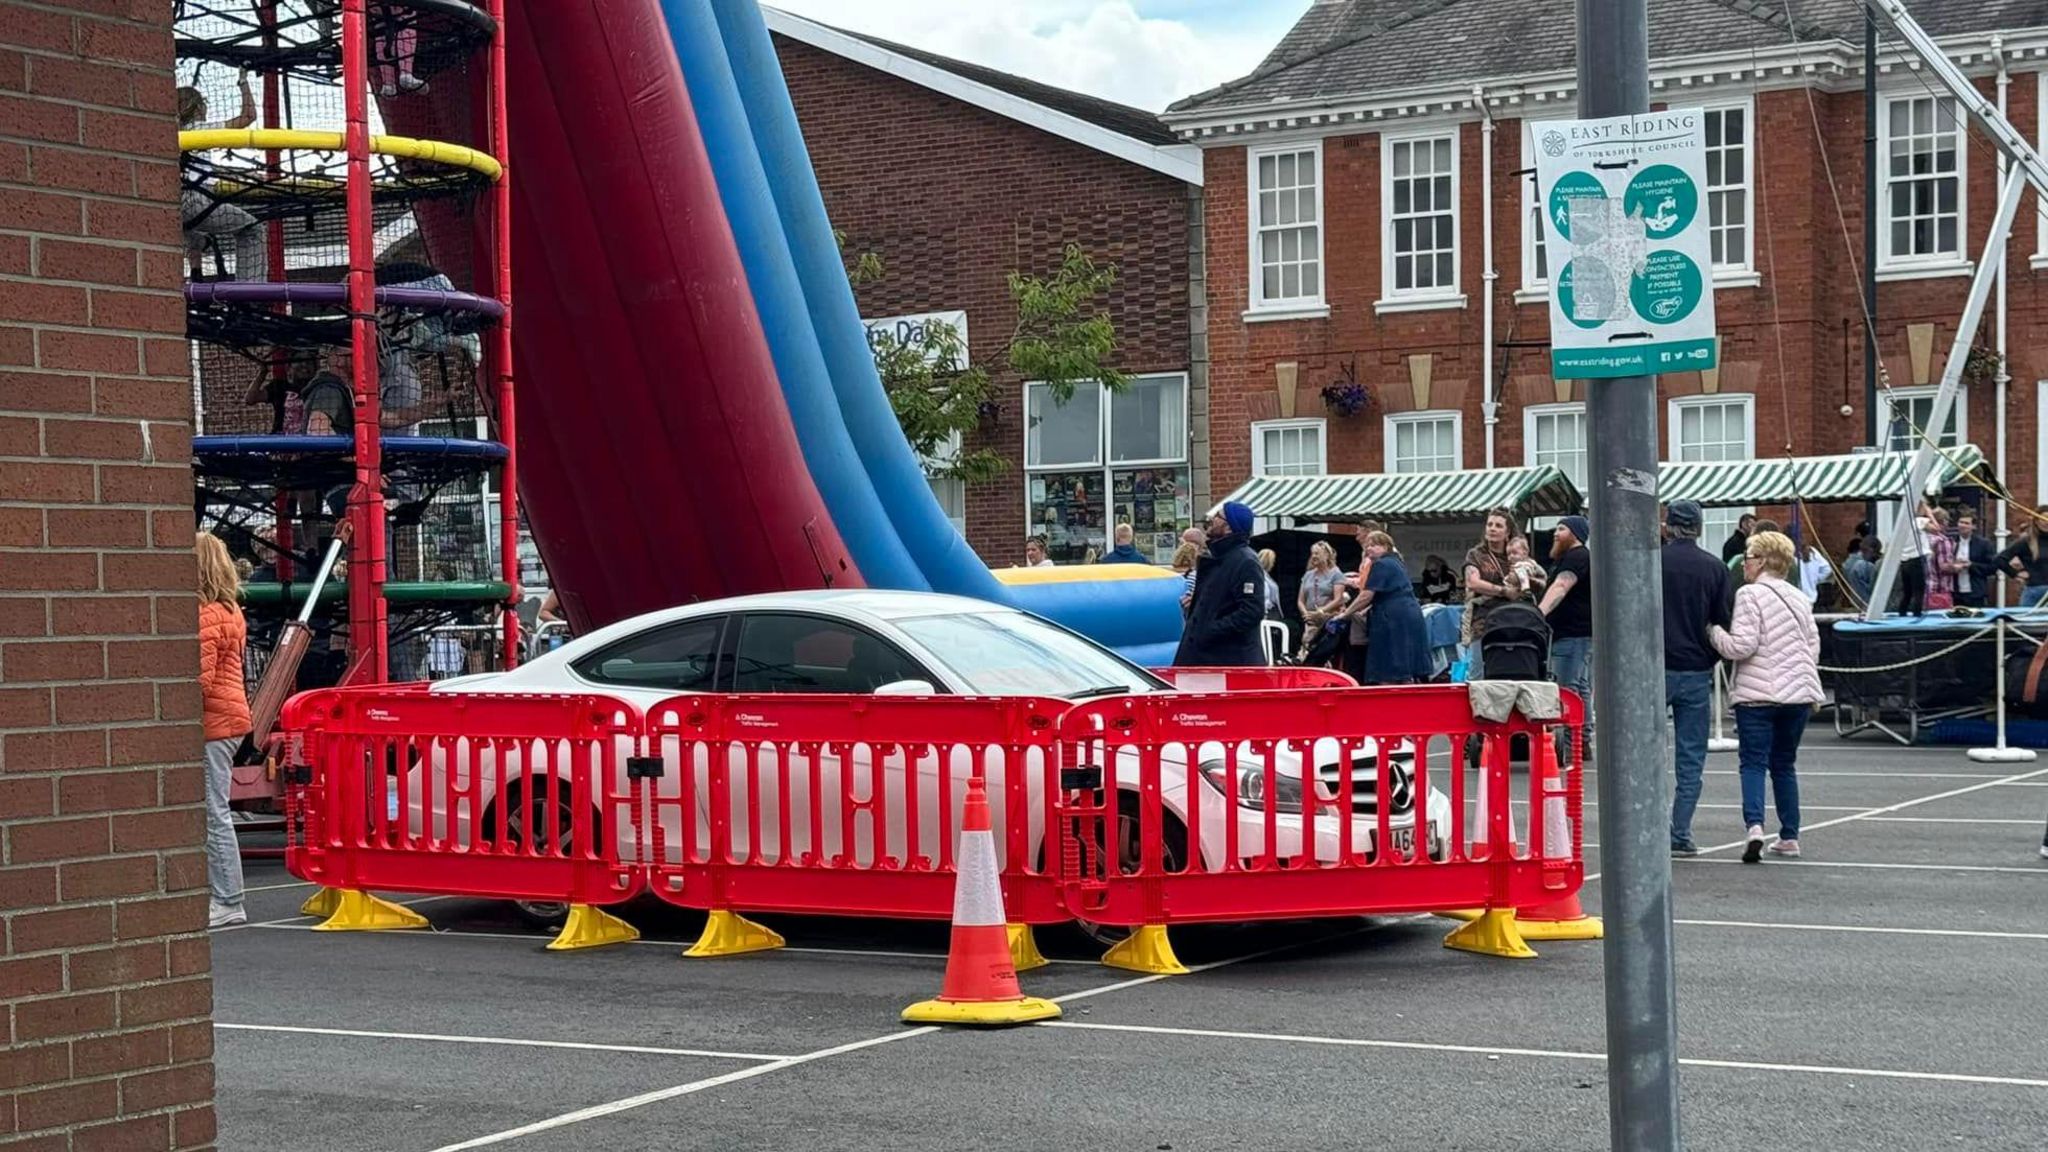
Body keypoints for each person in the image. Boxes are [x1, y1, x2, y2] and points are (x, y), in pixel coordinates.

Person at [1711, 530, 1823, 863]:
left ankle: (1755, 827)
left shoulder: (1750, 594)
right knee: (1785, 765)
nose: (1743, 564)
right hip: (1798, 695)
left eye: (1747, 558)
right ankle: (1789, 836)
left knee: (1753, 763)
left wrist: (1714, 631)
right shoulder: (1800, 597)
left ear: (1761, 561)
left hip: (1757, 695)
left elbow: (1741, 647)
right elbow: (1812, 645)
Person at [1662, 501, 1731, 856]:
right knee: (1690, 759)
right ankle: (1681, 831)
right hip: (1695, 669)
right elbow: (1722, 622)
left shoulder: (1652, 562)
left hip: (1653, 669)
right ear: (1700, 527)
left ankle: (1649, 827)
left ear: (1668, 526)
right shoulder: (1716, 568)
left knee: (1647, 753)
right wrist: (1710, 654)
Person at [196, 533, 250, 928]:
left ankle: (228, 899)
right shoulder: (231, 610)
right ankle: (225, 896)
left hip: (213, 722)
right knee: (216, 810)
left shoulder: (205, 615)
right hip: (229, 720)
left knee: (214, 813)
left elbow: (199, 680)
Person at [178, 73, 267, 281]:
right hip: (195, 202)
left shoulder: (170, 131)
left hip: (174, 205)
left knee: (196, 237)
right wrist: (243, 82)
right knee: (253, 229)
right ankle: (250, 290)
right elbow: (248, 117)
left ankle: (195, 272)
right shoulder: (200, 130)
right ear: (198, 108)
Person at [1174, 502, 1266, 667]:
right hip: (1205, 655)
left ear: (1229, 527)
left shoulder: (1246, 562)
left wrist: (1210, 629)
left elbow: (1252, 611)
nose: (1211, 519)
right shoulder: (1219, 557)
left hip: (1226, 660)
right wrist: (1196, 607)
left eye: (1218, 516)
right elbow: (1220, 602)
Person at [1335, 531, 1432, 684]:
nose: (1369, 549)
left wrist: (1346, 614)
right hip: (1409, 613)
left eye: (1373, 545)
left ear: (1386, 546)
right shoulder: (1397, 563)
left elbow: (1367, 595)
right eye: (1367, 546)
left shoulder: (1381, 564)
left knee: (1390, 664)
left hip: (1393, 617)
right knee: (1406, 661)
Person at [1539, 515, 1593, 713]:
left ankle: (1573, 740)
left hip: (1571, 635)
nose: (1555, 534)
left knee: (1567, 689)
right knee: (1580, 687)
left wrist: (1538, 614)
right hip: (1578, 635)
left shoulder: (1576, 556)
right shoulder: (1577, 557)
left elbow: (1561, 586)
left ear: (1576, 534)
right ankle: (1582, 738)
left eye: (1561, 529)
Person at [1461, 508, 1522, 680]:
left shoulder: (1515, 554)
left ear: (1507, 532)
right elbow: (1473, 582)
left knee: (1508, 671)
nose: (1492, 529)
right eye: (1489, 525)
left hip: (1511, 620)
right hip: (1482, 621)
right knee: (1477, 672)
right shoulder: (1476, 554)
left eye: (1498, 526)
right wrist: (1503, 591)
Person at [1296, 541, 1348, 655]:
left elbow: (1338, 599)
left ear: (1327, 555)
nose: (1314, 556)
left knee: (1323, 651)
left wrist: (1321, 611)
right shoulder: (1308, 575)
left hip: (1328, 620)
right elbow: (1300, 600)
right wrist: (1306, 614)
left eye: (1317, 553)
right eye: (1312, 553)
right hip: (1310, 620)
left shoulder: (1336, 574)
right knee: (1307, 645)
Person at [1997, 506, 2048, 609]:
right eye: (2043, 518)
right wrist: (2015, 574)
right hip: (2034, 591)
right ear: (2036, 521)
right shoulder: (2026, 541)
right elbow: (1999, 559)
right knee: (2027, 624)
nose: (2046, 522)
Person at [1953, 511, 1996, 608]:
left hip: (1975, 593)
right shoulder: (1951, 542)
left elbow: (1992, 568)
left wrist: (1971, 565)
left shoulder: (1983, 544)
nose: (1962, 525)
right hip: (1955, 593)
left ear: (1974, 526)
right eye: (1961, 522)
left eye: (1966, 523)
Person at [1923, 506, 1958, 611]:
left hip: (1924, 591)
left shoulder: (1923, 538)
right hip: (1940, 591)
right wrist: (1959, 566)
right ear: (1944, 521)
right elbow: (1944, 566)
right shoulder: (1942, 541)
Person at [1842, 535, 1880, 609]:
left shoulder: (1849, 562)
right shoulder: (1864, 565)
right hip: (1867, 603)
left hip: (1856, 602)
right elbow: (1874, 586)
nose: (1875, 555)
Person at [1505, 535, 1547, 599]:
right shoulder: (1512, 566)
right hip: (1516, 592)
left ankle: (1526, 589)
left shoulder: (1530, 563)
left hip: (1527, 577)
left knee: (1520, 570)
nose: (1511, 557)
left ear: (1525, 553)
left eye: (1514, 553)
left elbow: (1543, 573)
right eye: (1508, 554)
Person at [1256, 548, 1283, 621]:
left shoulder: (1267, 576)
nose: (1273, 563)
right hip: (1267, 613)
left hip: (1271, 612)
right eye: (1273, 561)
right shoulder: (1259, 575)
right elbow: (1265, 596)